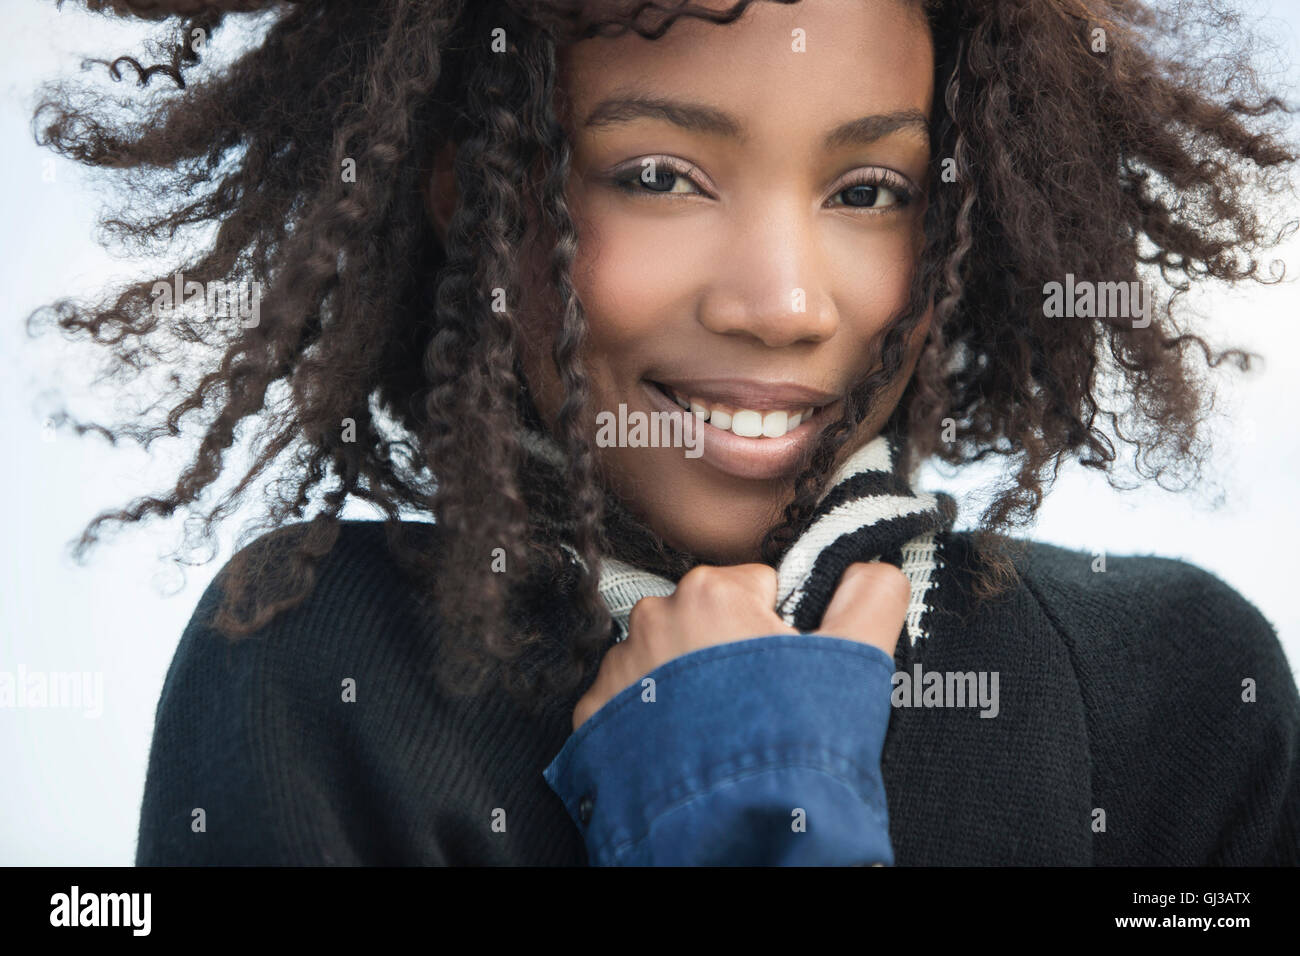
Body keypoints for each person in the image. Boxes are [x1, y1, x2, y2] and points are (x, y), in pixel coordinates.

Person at [34, 0, 1299, 864]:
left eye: (869, 191)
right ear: (470, 195)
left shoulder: (1169, 689)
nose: (782, 303)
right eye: (658, 175)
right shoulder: (316, 673)